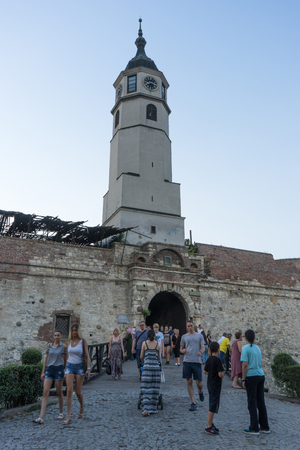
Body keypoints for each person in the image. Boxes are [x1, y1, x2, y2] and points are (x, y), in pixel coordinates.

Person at [33, 329, 67, 424]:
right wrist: (43, 371)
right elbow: (46, 358)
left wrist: (64, 371)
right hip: (49, 369)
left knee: (59, 392)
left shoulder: (64, 347)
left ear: (61, 336)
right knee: (45, 392)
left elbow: (66, 360)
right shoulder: (49, 345)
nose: (56, 337)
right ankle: (41, 417)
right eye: (55, 335)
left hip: (59, 369)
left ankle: (61, 412)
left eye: (58, 335)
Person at [241, 329, 270, 435]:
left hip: (252, 376)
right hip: (260, 375)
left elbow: (244, 364)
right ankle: (264, 426)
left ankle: (254, 427)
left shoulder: (245, 349)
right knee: (261, 401)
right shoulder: (257, 348)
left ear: (246, 338)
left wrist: (243, 379)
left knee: (252, 402)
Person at [62, 323, 91, 425]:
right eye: (72, 330)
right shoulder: (69, 341)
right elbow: (66, 353)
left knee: (78, 391)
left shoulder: (83, 342)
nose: (74, 332)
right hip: (70, 366)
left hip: (79, 367)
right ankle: (68, 416)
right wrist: (65, 366)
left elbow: (87, 355)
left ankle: (82, 406)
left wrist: (88, 368)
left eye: (75, 330)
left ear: (78, 331)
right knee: (69, 390)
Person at [180, 320, 205, 411]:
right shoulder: (184, 337)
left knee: (199, 382)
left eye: (191, 326)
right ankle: (193, 402)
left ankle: (200, 391)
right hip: (187, 361)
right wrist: (183, 351)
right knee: (189, 381)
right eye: (188, 326)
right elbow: (181, 348)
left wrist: (201, 352)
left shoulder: (199, 336)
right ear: (186, 327)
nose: (190, 327)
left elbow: (203, 347)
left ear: (194, 326)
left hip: (197, 361)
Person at [203, 341, 224, 435]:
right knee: (213, 405)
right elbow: (220, 374)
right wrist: (221, 374)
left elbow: (205, 371)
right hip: (216, 384)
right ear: (218, 350)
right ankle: (208, 426)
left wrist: (211, 373)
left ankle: (210, 423)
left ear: (210, 350)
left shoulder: (209, 359)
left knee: (211, 401)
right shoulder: (218, 360)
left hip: (209, 383)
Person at [140, 329, 161, 416]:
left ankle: (145, 409)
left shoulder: (144, 343)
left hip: (147, 367)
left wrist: (144, 361)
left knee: (145, 388)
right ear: (154, 336)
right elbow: (159, 357)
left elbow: (141, 356)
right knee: (154, 388)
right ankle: (153, 409)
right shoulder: (158, 344)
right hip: (155, 367)